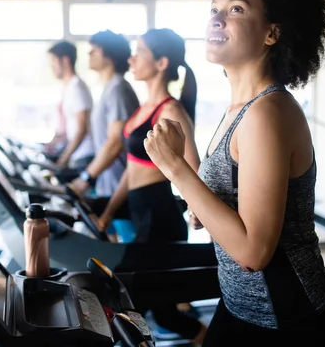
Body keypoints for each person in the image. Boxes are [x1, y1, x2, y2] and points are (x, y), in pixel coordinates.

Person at [143, 0, 325, 345]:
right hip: (244, 306)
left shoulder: (266, 113)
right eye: (214, 8)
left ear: (272, 32)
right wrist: (203, 203)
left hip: (291, 322)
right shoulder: (239, 108)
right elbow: (236, 211)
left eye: (236, 9)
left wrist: (177, 171)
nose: (216, 19)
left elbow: (254, 252)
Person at [93, 28, 206, 344]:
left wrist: (199, 209)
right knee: (154, 309)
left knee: (142, 306)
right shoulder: (143, 109)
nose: (131, 58)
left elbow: (194, 168)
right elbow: (132, 171)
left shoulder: (170, 110)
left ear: (161, 63)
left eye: (139, 51)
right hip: (141, 211)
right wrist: (109, 211)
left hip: (160, 218)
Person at [69, 30, 140, 200]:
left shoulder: (117, 89)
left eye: (95, 49)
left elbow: (115, 142)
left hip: (118, 187)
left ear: (109, 56)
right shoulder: (110, 88)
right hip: (108, 182)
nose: (89, 53)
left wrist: (86, 178)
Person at [44, 41, 95, 181]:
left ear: (65, 60)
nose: (52, 67)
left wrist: (64, 158)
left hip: (84, 156)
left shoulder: (77, 87)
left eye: (54, 61)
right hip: (77, 154)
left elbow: (82, 128)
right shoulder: (68, 87)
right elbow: (70, 128)